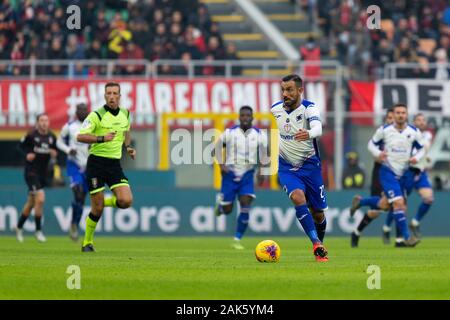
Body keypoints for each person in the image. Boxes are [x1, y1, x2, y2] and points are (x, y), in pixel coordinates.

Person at [271, 74, 329, 262]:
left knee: (318, 214)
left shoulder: (309, 108)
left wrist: (309, 133)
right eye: (283, 90)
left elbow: (318, 129)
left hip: (310, 166)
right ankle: (315, 243)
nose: (285, 94)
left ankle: (320, 245)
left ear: (300, 90)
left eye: (289, 90)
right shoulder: (276, 110)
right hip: (287, 167)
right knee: (297, 197)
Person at [77, 82, 136, 252]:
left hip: (114, 165)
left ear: (119, 96)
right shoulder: (96, 115)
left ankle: (102, 202)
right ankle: (87, 242)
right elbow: (80, 136)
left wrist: (128, 147)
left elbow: (126, 132)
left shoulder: (125, 113)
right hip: (96, 164)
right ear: (104, 96)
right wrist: (102, 138)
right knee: (97, 209)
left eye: (115, 93)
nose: (111, 96)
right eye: (108, 93)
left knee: (126, 201)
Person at [367, 103, 423, 247]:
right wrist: (378, 153)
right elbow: (371, 145)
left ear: (406, 114)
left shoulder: (414, 131)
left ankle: (361, 202)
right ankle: (406, 237)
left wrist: (417, 157)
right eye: (397, 112)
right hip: (388, 171)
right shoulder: (384, 130)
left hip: (405, 173)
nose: (400, 115)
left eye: (403, 113)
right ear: (394, 115)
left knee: (385, 204)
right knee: (398, 203)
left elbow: (422, 149)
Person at [213, 106, 269, 250]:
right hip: (230, 174)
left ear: (252, 117)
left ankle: (237, 239)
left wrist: (262, 171)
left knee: (246, 204)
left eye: (247, 115)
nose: (245, 118)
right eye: (242, 115)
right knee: (228, 210)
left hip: (247, 175)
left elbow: (264, 154)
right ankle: (220, 206)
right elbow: (216, 149)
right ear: (239, 117)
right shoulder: (230, 133)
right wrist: (221, 165)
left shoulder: (259, 135)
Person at [383, 113, 434, 239]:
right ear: (413, 122)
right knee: (398, 203)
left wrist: (423, 157)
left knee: (428, 198)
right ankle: (387, 227)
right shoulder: (407, 134)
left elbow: (422, 148)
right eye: (418, 120)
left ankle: (415, 222)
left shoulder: (427, 135)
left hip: (420, 173)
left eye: (423, 120)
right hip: (407, 173)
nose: (421, 122)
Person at [349, 108, 394, 247]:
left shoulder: (400, 134)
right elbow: (374, 151)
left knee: (378, 210)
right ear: (386, 119)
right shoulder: (382, 133)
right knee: (387, 204)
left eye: (394, 117)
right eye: (390, 118)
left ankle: (356, 232)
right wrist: (383, 157)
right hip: (381, 171)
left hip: (394, 172)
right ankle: (362, 202)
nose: (392, 120)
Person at [15, 113, 58, 243]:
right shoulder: (31, 135)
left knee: (31, 203)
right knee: (40, 198)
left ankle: (18, 227)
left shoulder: (52, 137)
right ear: (38, 122)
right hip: (31, 172)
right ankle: (38, 231)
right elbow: (18, 147)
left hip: (43, 174)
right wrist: (27, 154)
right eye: (42, 120)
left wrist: (54, 153)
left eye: (46, 120)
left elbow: (55, 152)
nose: (44, 123)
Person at [56, 103, 90, 241]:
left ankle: (74, 223)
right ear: (76, 112)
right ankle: (74, 225)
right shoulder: (69, 127)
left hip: (89, 166)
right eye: (80, 110)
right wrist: (68, 150)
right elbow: (59, 142)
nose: (82, 112)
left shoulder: (92, 126)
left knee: (81, 198)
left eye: (84, 110)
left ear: (87, 111)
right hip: (73, 164)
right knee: (78, 191)